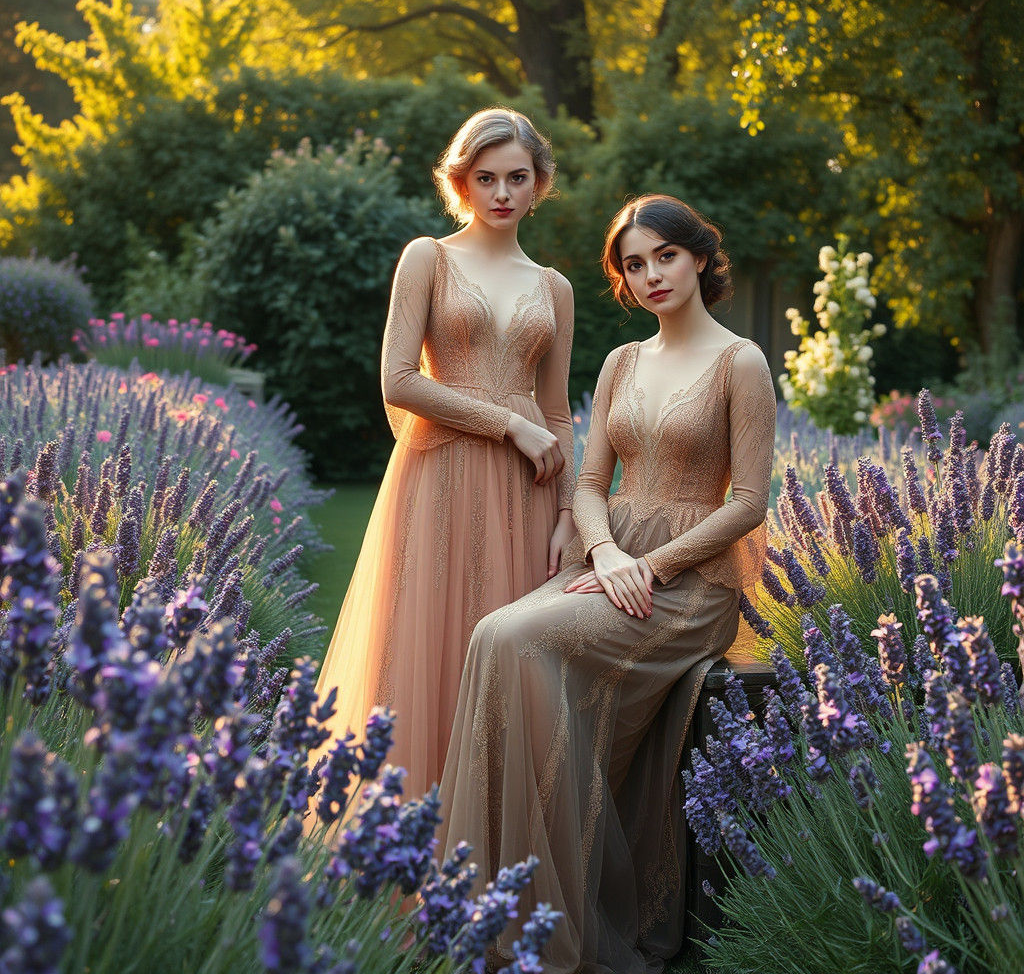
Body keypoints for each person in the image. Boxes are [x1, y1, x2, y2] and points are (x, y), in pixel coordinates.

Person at [437, 194, 776, 973]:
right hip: (611, 559)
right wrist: (607, 553)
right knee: (496, 635)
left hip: (689, 583)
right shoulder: (623, 361)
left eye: (666, 255)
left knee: (520, 640)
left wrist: (650, 566)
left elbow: (751, 503)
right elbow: (590, 484)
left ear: (699, 258)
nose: (651, 274)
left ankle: (551, 922)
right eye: (634, 264)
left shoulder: (741, 361)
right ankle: (495, 912)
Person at [313, 108, 576, 803]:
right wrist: (507, 424)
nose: (501, 192)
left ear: (539, 183)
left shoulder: (554, 287)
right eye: (485, 177)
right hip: (439, 477)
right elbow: (398, 380)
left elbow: (557, 415)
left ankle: (494, 836)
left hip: (526, 493)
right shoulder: (428, 257)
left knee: (512, 662)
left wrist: (569, 516)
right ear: (461, 181)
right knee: (425, 651)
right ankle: (406, 834)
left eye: (516, 177)